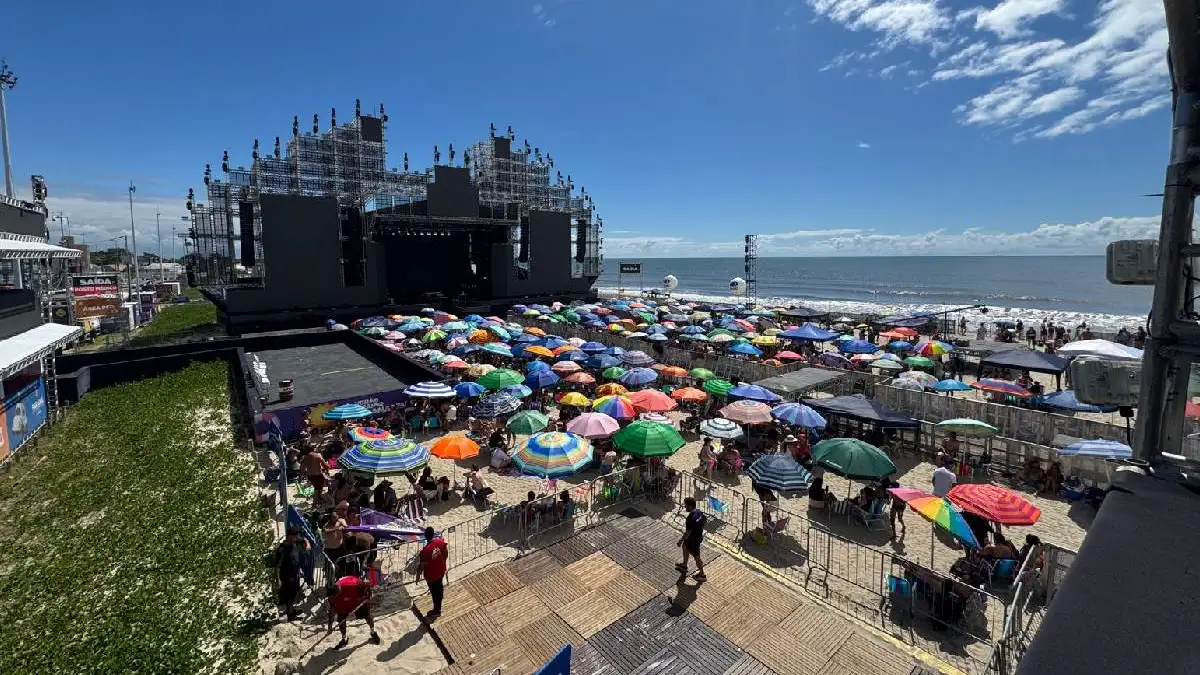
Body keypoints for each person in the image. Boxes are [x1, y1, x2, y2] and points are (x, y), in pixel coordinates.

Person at [328, 575, 381, 648]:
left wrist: (369, 592)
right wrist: (330, 627)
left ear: (339, 591)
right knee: (341, 621)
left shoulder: (352, 586)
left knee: (367, 616)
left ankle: (373, 632)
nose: (332, 599)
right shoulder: (331, 599)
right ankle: (344, 639)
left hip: (358, 601)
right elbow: (331, 612)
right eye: (331, 598)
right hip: (343, 606)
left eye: (334, 597)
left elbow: (367, 582)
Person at [274, 527, 307, 621]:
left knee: (293, 594)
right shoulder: (282, 550)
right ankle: (291, 616)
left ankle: (292, 610)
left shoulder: (294, 543)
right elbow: (278, 566)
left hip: (295, 575)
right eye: (295, 537)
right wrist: (278, 580)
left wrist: (307, 544)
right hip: (287, 576)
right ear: (289, 536)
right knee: (289, 597)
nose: (297, 538)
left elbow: (303, 539)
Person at [417, 526, 449, 621]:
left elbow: (421, 566)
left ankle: (436, 611)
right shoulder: (440, 541)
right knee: (439, 589)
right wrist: (442, 561)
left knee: (434, 593)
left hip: (431, 575)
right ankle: (438, 607)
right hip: (440, 571)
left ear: (426, 536)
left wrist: (417, 577)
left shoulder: (425, 551)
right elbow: (446, 552)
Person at [676, 497, 707, 581]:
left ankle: (702, 575)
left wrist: (680, 540)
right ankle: (684, 565)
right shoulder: (699, 512)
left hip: (693, 540)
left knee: (697, 558)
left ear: (690, 506)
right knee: (685, 546)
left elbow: (688, 532)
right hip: (697, 537)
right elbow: (704, 520)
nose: (685, 507)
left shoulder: (690, 519)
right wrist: (699, 529)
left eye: (686, 506)